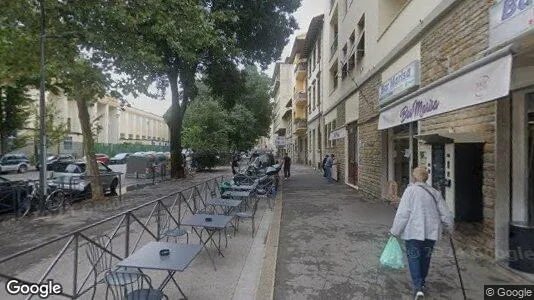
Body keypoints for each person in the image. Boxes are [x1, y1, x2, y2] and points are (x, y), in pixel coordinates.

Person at [390, 167, 454, 299]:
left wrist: (395, 231)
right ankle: (422, 283)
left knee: (414, 258)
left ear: (414, 178)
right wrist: (449, 228)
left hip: (413, 232)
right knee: (426, 257)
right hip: (430, 233)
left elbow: (403, 213)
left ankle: (418, 287)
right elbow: (446, 213)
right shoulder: (435, 192)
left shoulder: (410, 191)